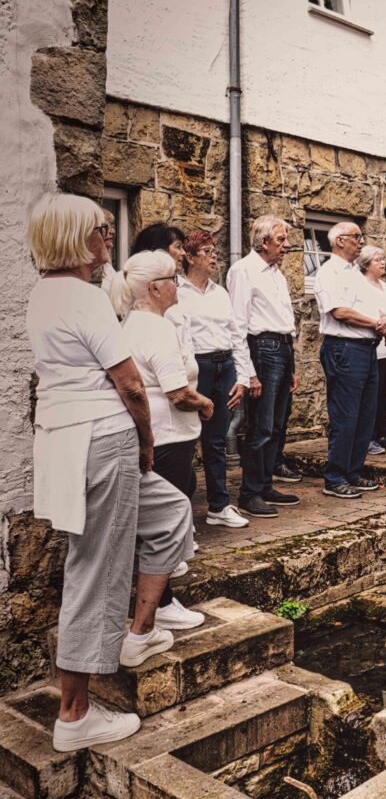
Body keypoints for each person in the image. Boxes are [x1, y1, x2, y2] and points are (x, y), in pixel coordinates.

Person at [26, 194, 193, 752]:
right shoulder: (84, 296)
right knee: (96, 569)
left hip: (69, 438)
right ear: (77, 239)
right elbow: (131, 385)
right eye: (100, 229)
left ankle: (138, 633)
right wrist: (146, 441)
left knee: (170, 513)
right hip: (103, 438)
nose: (107, 238)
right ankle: (74, 714)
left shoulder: (44, 293)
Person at [112, 250, 214, 629]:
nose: (178, 285)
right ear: (155, 288)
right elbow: (177, 393)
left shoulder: (132, 323)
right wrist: (206, 404)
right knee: (165, 524)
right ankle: (163, 605)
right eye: (173, 279)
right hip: (168, 437)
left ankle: (152, 601)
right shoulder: (157, 329)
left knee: (156, 521)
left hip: (158, 434)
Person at [169, 231, 250, 527]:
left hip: (224, 366)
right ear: (190, 257)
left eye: (215, 251)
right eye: (206, 251)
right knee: (186, 441)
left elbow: (236, 335)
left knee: (216, 440)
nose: (214, 257)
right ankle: (180, 516)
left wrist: (242, 376)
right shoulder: (177, 292)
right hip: (196, 367)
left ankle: (219, 506)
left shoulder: (221, 293)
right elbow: (178, 338)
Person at [227, 216, 300, 518]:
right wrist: (249, 373)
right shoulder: (243, 271)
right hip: (262, 349)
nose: (287, 245)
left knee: (278, 424)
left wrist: (292, 365)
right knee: (261, 425)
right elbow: (237, 325)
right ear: (263, 241)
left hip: (282, 347)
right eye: (281, 240)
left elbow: (283, 320)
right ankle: (250, 493)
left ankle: (265, 484)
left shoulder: (276, 273)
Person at [313, 222, 386, 498]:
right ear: (339, 241)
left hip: (366, 349)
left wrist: (383, 320)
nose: (361, 241)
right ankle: (335, 478)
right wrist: (374, 323)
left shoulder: (355, 273)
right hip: (345, 348)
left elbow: (370, 306)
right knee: (345, 415)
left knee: (366, 415)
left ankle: (353, 471)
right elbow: (340, 311)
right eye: (356, 237)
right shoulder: (329, 272)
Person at [356, 245, 386, 455]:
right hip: (374, 350)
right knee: (371, 397)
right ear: (366, 263)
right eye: (378, 259)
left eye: (383, 259)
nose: (383, 263)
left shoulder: (385, 286)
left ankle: (382, 433)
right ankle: (367, 438)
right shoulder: (361, 284)